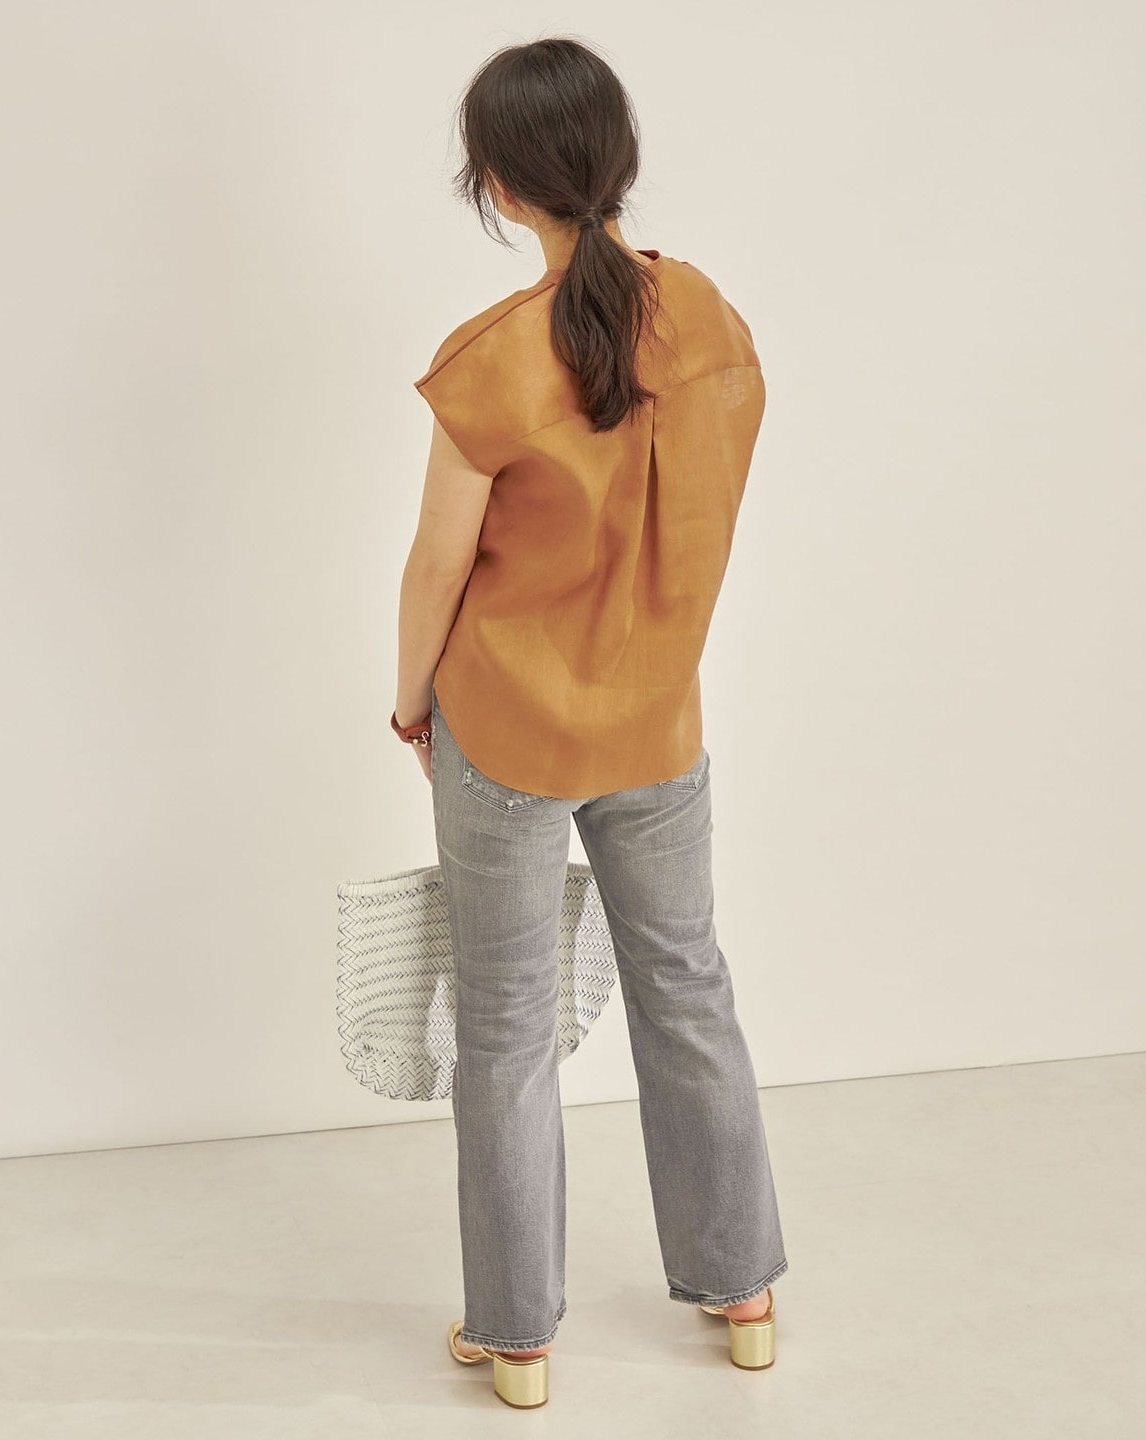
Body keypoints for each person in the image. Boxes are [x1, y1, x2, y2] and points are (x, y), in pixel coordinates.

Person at [391, 35, 788, 1408]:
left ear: (500, 190)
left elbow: (435, 568)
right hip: (658, 720)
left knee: (505, 1027)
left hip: (505, 730)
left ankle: (518, 1339)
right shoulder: (713, 317)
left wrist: (410, 702)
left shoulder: (491, 363)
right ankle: (743, 1292)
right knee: (689, 989)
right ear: (618, 161)